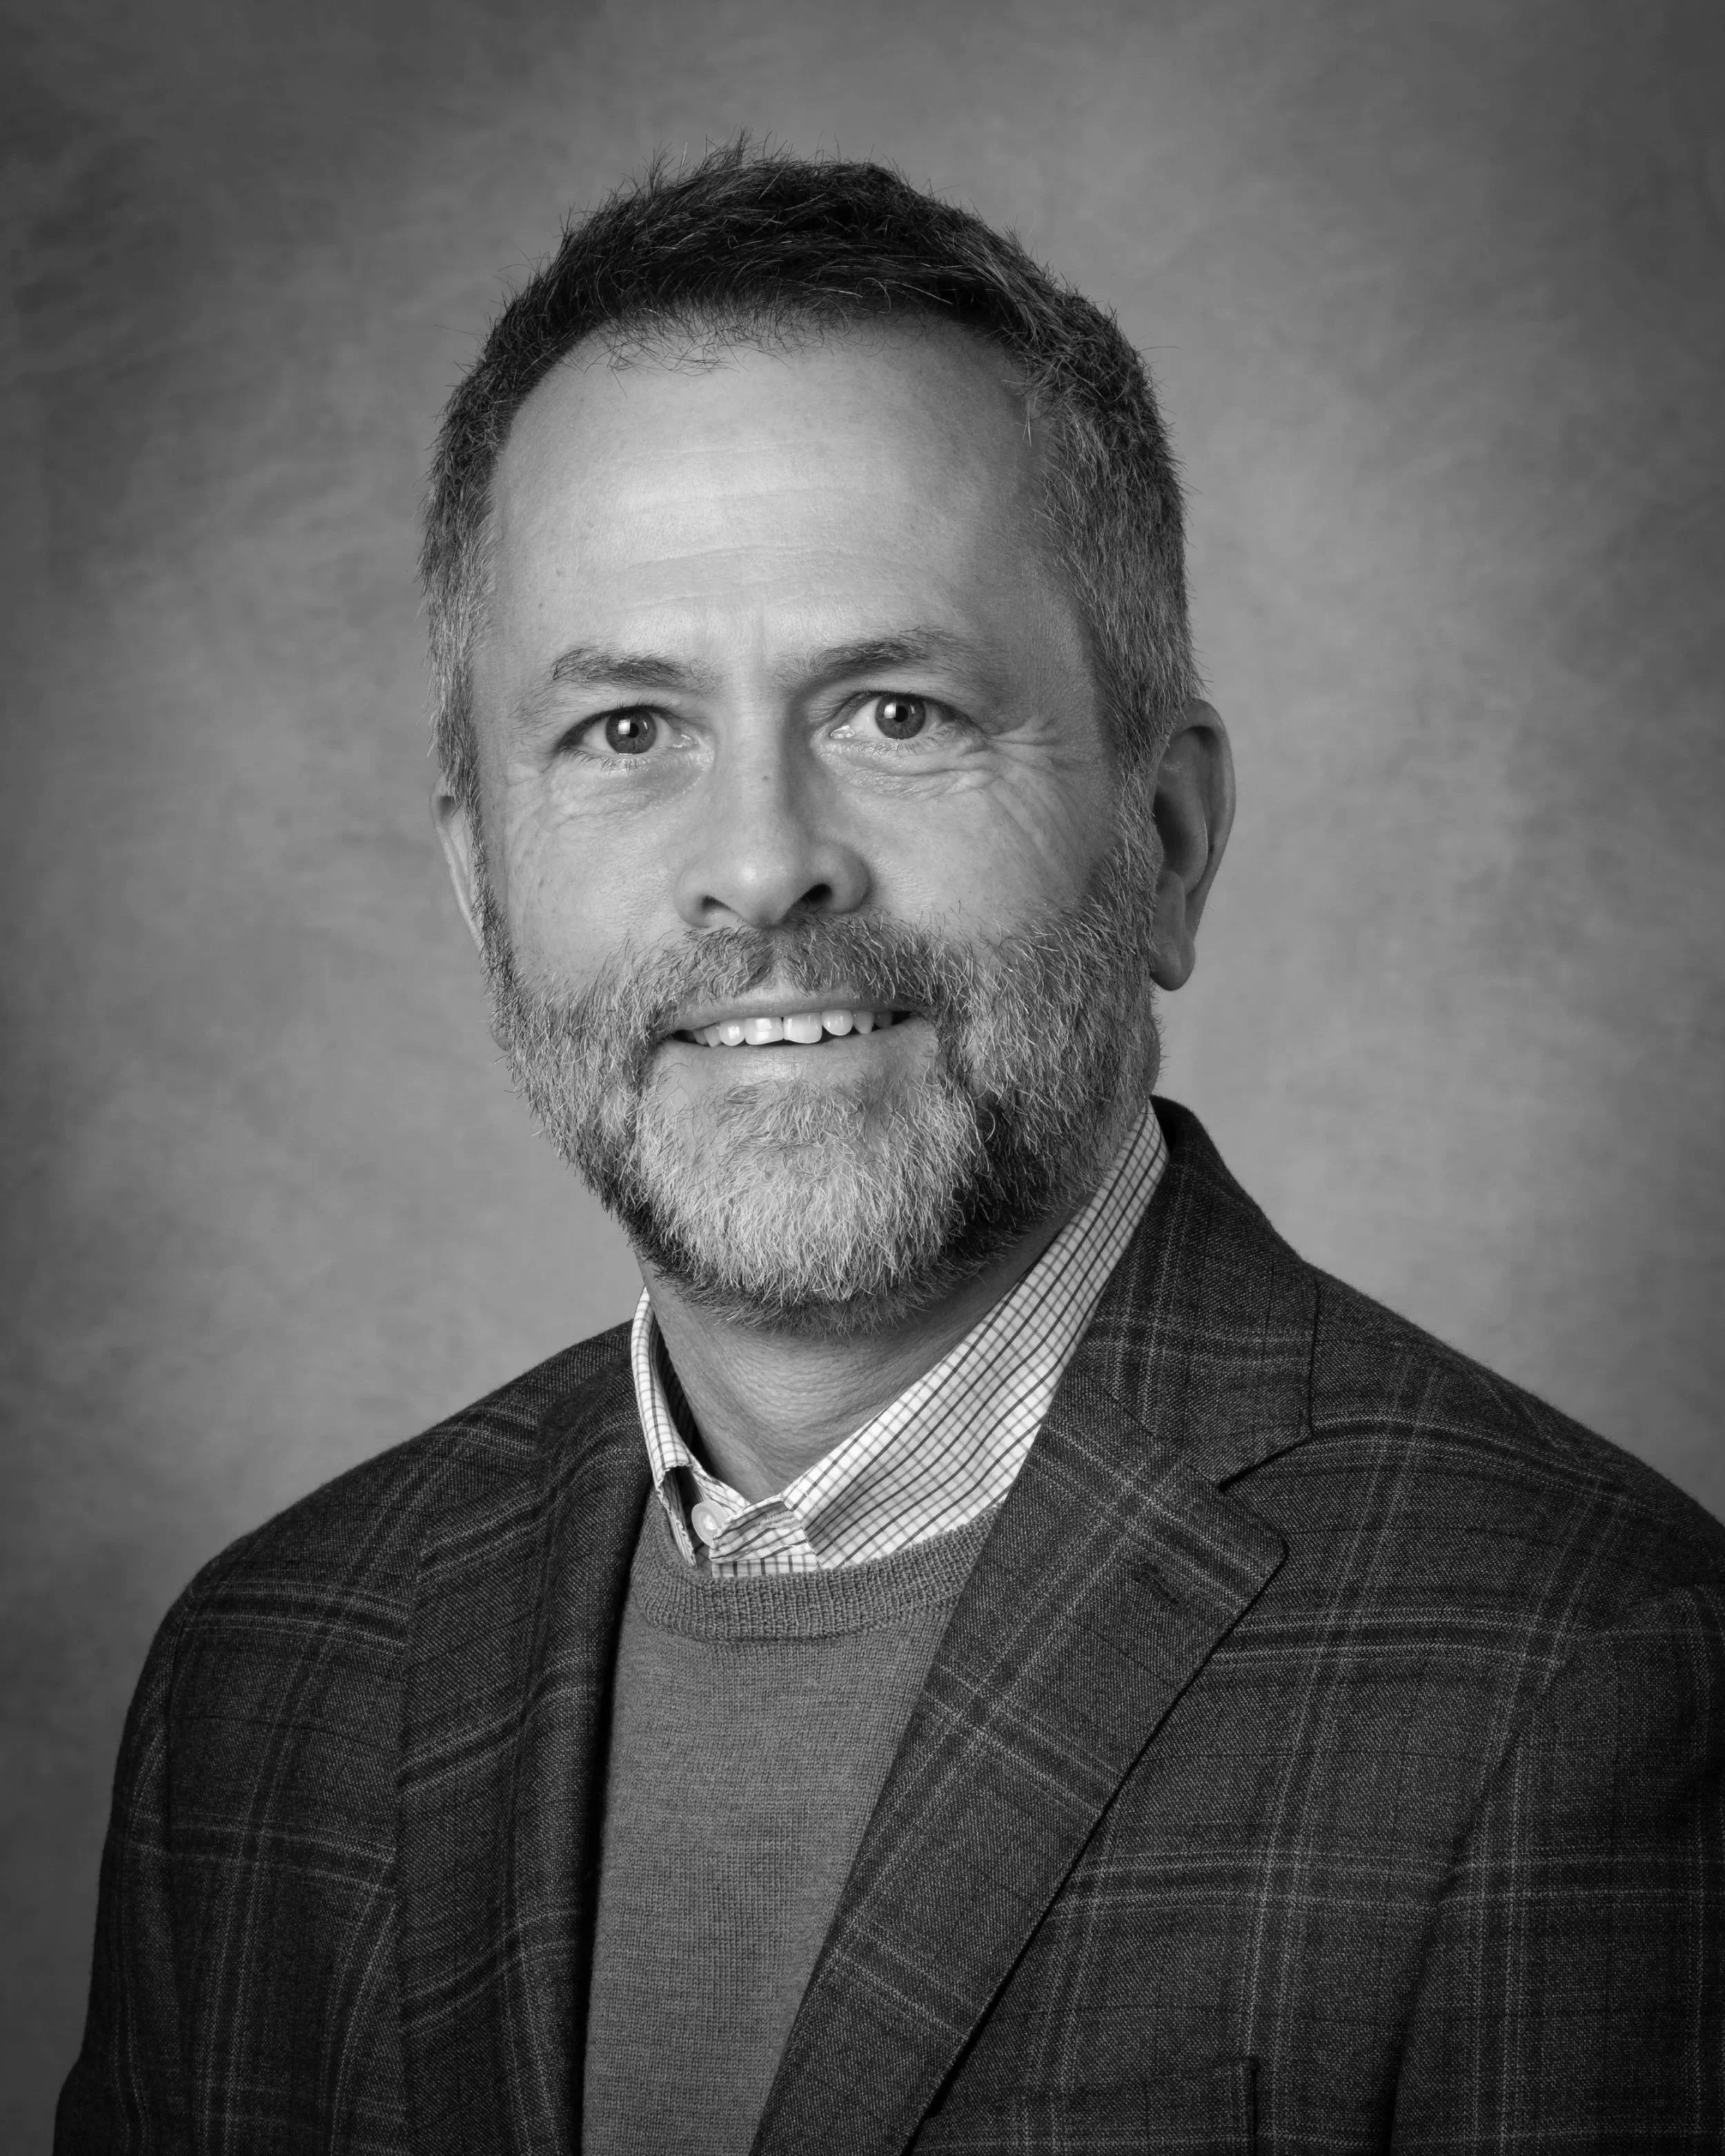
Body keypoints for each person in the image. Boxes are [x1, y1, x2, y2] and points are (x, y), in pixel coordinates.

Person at [57, 146, 1725, 2156]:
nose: (762, 862)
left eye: (899, 709)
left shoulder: (1587, 1674)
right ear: (479, 877)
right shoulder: (273, 1681)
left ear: (1167, 836)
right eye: (623, 733)